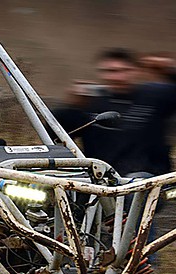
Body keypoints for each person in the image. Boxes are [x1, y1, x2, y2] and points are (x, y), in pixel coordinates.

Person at [52, 48, 176, 177]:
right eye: (109, 71)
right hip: (100, 181)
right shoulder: (90, 101)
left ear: (137, 71)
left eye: (124, 71)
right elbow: (54, 137)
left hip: (150, 181)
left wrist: (170, 70)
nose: (117, 77)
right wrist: (71, 107)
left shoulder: (155, 95)